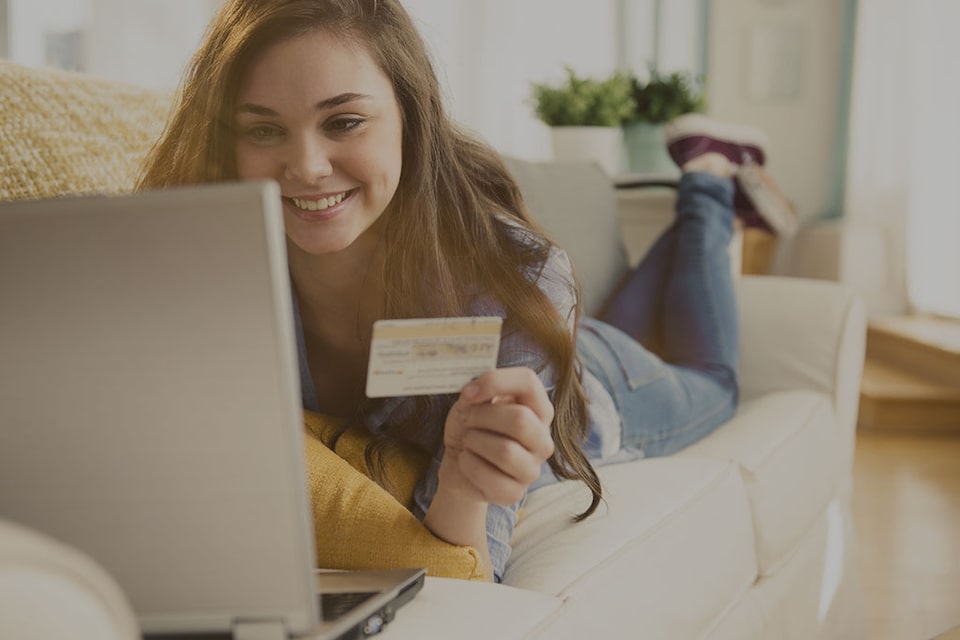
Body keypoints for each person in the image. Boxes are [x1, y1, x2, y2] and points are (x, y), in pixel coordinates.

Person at [137, 0, 796, 583]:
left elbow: (475, 565)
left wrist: (460, 483)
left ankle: (709, 178)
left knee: (716, 379)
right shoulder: (219, 272)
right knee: (603, 311)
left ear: (410, 120)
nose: (306, 167)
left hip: (603, 387)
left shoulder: (511, 275)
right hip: (554, 328)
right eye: (262, 129)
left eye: (343, 123)